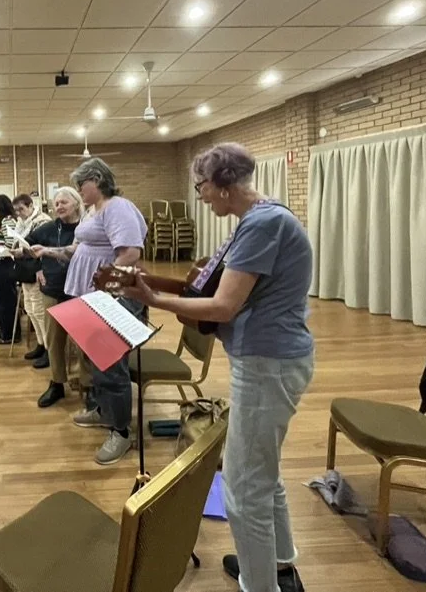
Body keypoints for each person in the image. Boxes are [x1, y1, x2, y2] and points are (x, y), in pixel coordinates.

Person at [120, 143, 314, 592]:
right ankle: (279, 561)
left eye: (202, 186)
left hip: (269, 363)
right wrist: (162, 286)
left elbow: (224, 306)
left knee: (243, 490)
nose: (200, 195)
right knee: (262, 471)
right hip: (272, 359)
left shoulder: (262, 225)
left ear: (223, 184)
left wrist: (155, 299)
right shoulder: (263, 218)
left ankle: (260, 584)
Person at [32, 158, 147, 466]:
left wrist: (108, 292)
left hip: (111, 298)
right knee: (96, 361)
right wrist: (51, 252)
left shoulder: (117, 207)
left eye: (82, 185)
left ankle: (121, 431)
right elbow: (80, 248)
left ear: (97, 180)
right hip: (91, 295)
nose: (80, 192)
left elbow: (130, 252)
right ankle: (103, 410)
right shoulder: (96, 210)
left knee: (111, 366)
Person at [25, 186, 83, 407]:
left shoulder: (86, 229)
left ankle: (87, 384)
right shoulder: (47, 228)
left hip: (79, 291)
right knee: (54, 341)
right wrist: (37, 267)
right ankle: (57, 383)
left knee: (82, 342)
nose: (58, 207)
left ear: (76, 203)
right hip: (52, 290)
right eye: (56, 203)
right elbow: (27, 247)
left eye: (63, 203)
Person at [13, 193, 51, 364]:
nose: (19, 213)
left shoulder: (42, 220)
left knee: (39, 309)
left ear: (30, 205)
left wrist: (40, 267)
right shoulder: (22, 222)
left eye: (21, 209)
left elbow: (45, 247)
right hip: (25, 268)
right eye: (16, 210)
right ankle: (40, 344)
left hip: (38, 269)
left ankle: (49, 349)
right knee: (29, 308)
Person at [0, 194, 20, 345]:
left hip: (4, 264)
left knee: (6, 300)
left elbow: (11, 243)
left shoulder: (7, 221)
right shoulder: (3, 221)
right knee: (2, 298)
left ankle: (8, 334)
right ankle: (6, 330)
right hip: (0, 263)